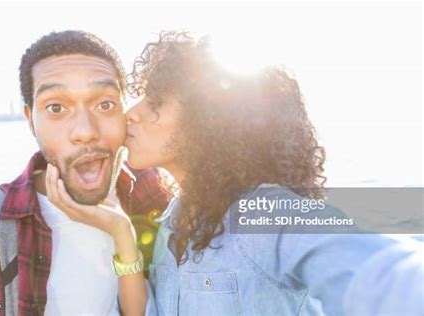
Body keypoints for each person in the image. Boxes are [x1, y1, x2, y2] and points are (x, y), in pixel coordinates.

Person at [45, 31, 424, 315]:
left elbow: (381, 270)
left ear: (209, 121)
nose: (132, 113)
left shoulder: (265, 210)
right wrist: (121, 231)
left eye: (156, 102)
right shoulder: (173, 222)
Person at [0, 30, 171, 316]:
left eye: (105, 104)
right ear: (31, 121)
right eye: (56, 107)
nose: (85, 131)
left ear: (124, 112)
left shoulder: (152, 193)